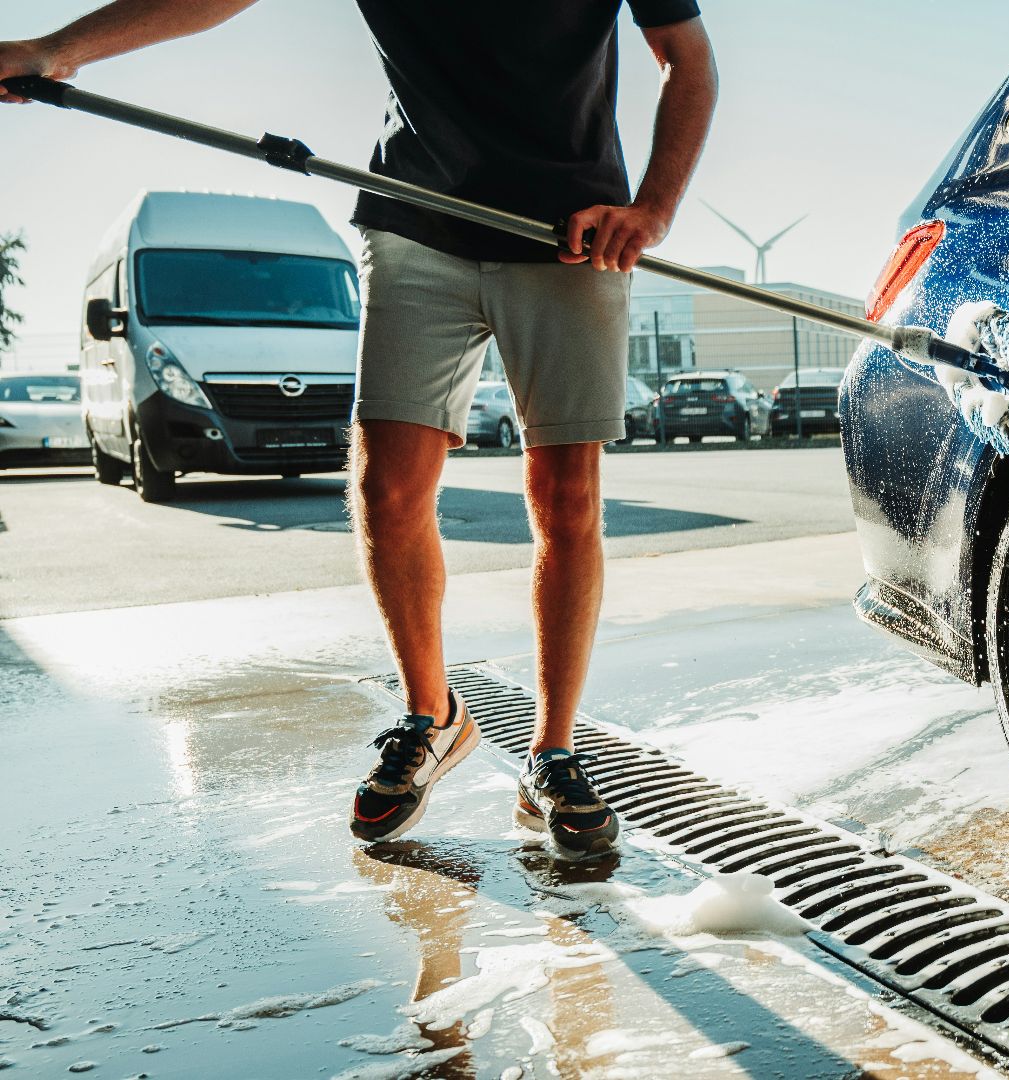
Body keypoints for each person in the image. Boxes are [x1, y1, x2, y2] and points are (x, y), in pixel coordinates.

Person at [1, 0, 718, 859]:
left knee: (566, 500)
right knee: (387, 486)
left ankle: (553, 750)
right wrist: (57, 49)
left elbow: (686, 57)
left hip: (570, 235)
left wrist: (655, 208)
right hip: (414, 221)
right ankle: (433, 715)